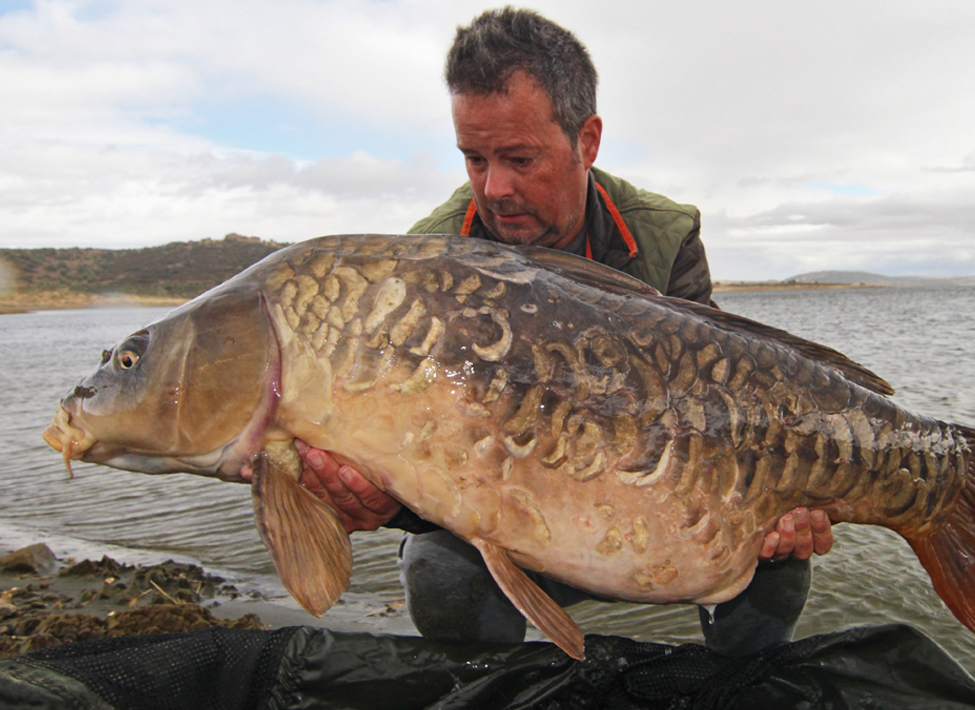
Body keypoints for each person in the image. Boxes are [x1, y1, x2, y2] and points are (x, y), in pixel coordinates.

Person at [272, 7, 834, 656]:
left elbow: (714, 414)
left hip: (662, 528)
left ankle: (739, 685)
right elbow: (416, 449)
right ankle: (494, 687)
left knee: (778, 566)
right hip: (508, 526)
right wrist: (380, 501)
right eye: (474, 159)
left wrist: (781, 495)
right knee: (439, 568)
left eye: (519, 158)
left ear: (586, 141)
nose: (494, 187)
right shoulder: (425, 266)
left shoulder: (664, 236)